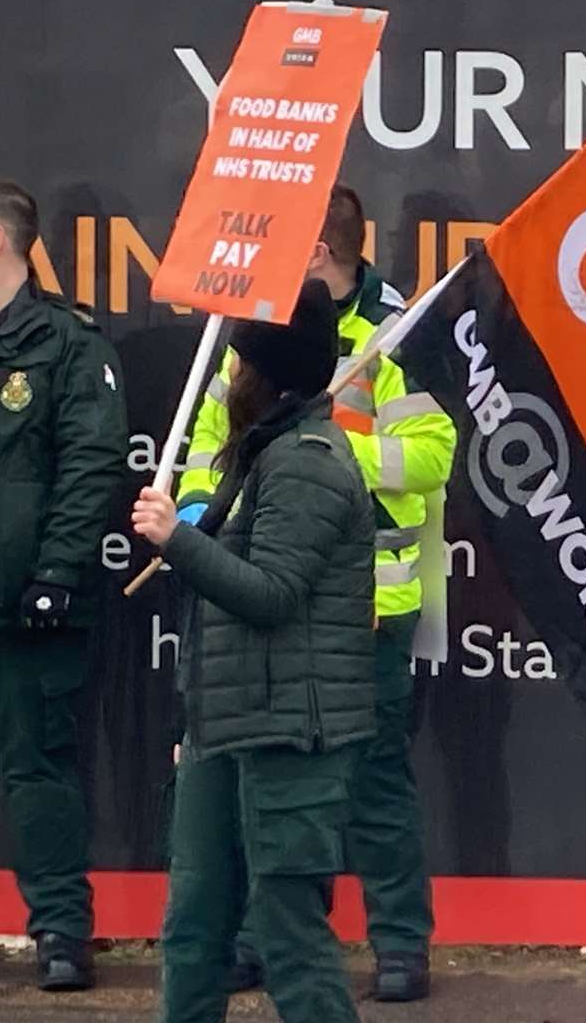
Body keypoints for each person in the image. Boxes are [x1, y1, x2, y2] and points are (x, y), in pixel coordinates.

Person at [176, 184, 453, 1002]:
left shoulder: (399, 335)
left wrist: (324, 448)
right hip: (259, 594)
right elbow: (207, 444)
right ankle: (264, 941)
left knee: (373, 784)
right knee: (264, 787)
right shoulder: (256, 335)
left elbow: (433, 456)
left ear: (320, 254)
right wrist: (199, 511)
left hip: (372, 605)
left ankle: (400, 942)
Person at [134, 280, 377, 1022]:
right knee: (193, 927)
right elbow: (221, 613)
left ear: (265, 375)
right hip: (226, 727)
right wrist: (196, 721)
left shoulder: (307, 460)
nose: (227, 378)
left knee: (288, 935)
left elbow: (271, 594)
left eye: (237, 363)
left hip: (290, 733)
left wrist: (176, 540)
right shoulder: (260, 454)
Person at [0, 177, 127, 991]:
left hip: (24, 603)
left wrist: (56, 573)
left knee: (38, 770)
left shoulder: (66, 344)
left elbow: (90, 470)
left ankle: (60, 929)